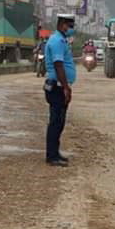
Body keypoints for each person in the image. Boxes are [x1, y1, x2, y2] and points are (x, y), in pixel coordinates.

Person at [44, 13, 76, 167]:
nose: (71, 29)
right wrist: (65, 87)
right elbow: (59, 65)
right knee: (56, 122)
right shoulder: (57, 41)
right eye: (70, 26)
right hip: (56, 86)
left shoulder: (61, 40)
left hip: (59, 85)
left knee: (60, 121)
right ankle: (51, 156)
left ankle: (55, 153)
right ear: (63, 24)